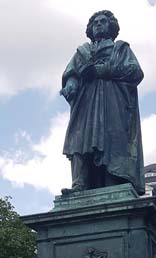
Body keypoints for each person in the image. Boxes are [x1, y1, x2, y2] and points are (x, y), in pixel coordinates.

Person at [60, 10, 145, 195]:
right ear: (90, 29)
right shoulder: (82, 52)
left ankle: (113, 182)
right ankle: (79, 184)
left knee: (111, 140)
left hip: (112, 102)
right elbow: (72, 73)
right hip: (85, 103)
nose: (98, 24)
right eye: (95, 22)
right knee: (79, 139)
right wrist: (71, 85)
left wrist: (102, 70)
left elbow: (135, 72)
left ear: (111, 26)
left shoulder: (120, 49)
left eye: (103, 21)